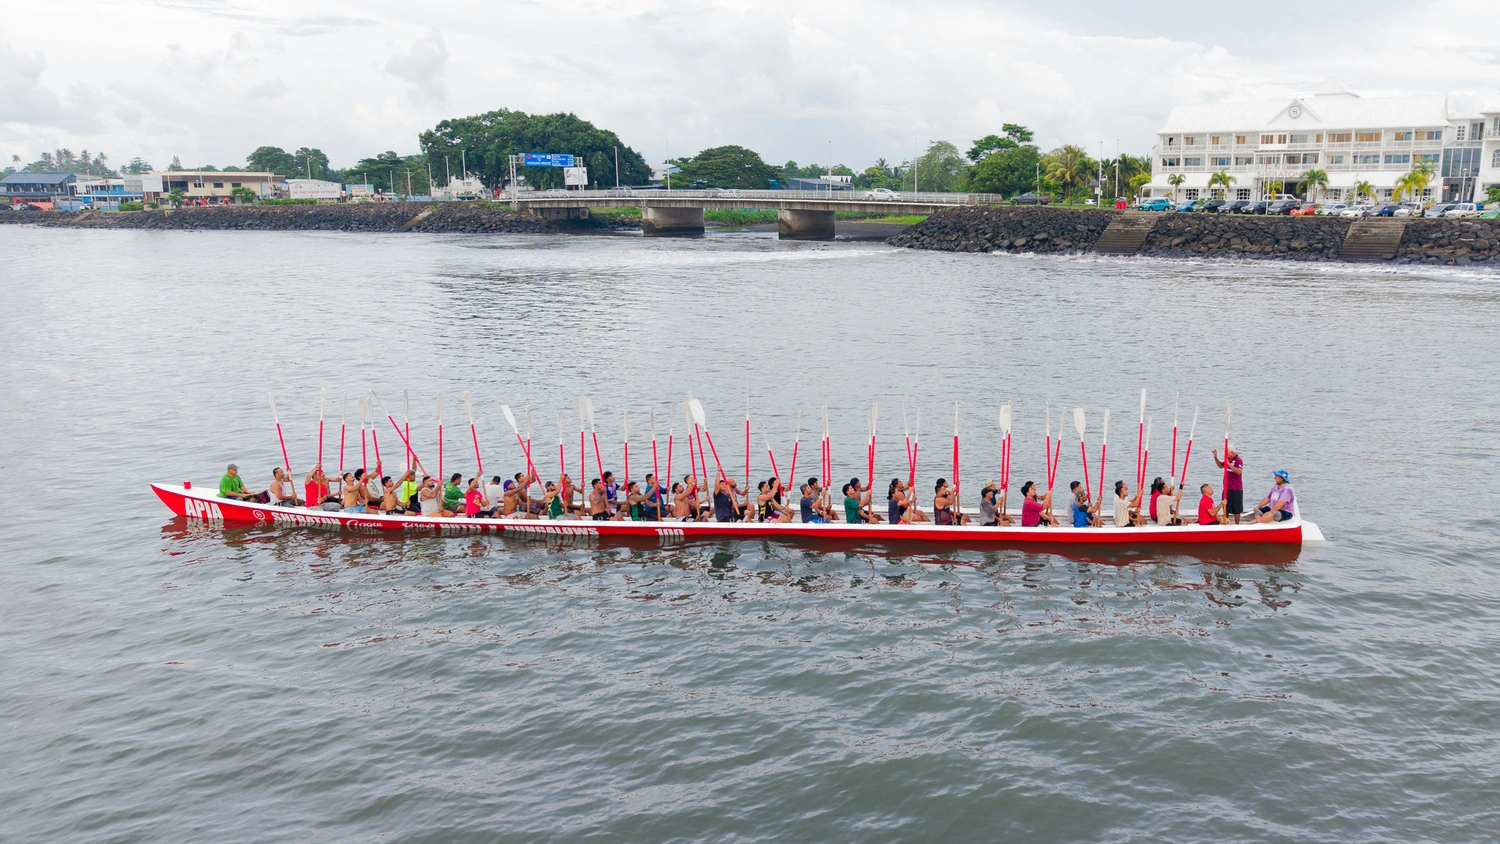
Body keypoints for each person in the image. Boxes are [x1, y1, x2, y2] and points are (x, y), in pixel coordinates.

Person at [1212, 444, 1245, 523]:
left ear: (1232, 452)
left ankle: (1237, 524)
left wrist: (1229, 465)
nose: (1225, 454)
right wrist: (1215, 457)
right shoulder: (1228, 459)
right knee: (1225, 506)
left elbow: (1239, 472)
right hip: (1227, 488)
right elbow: (1220, 465)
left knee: (1236, 509)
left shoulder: (1238, 460)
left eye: (1227, 453)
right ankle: (1226, 521)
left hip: (1236, 489)